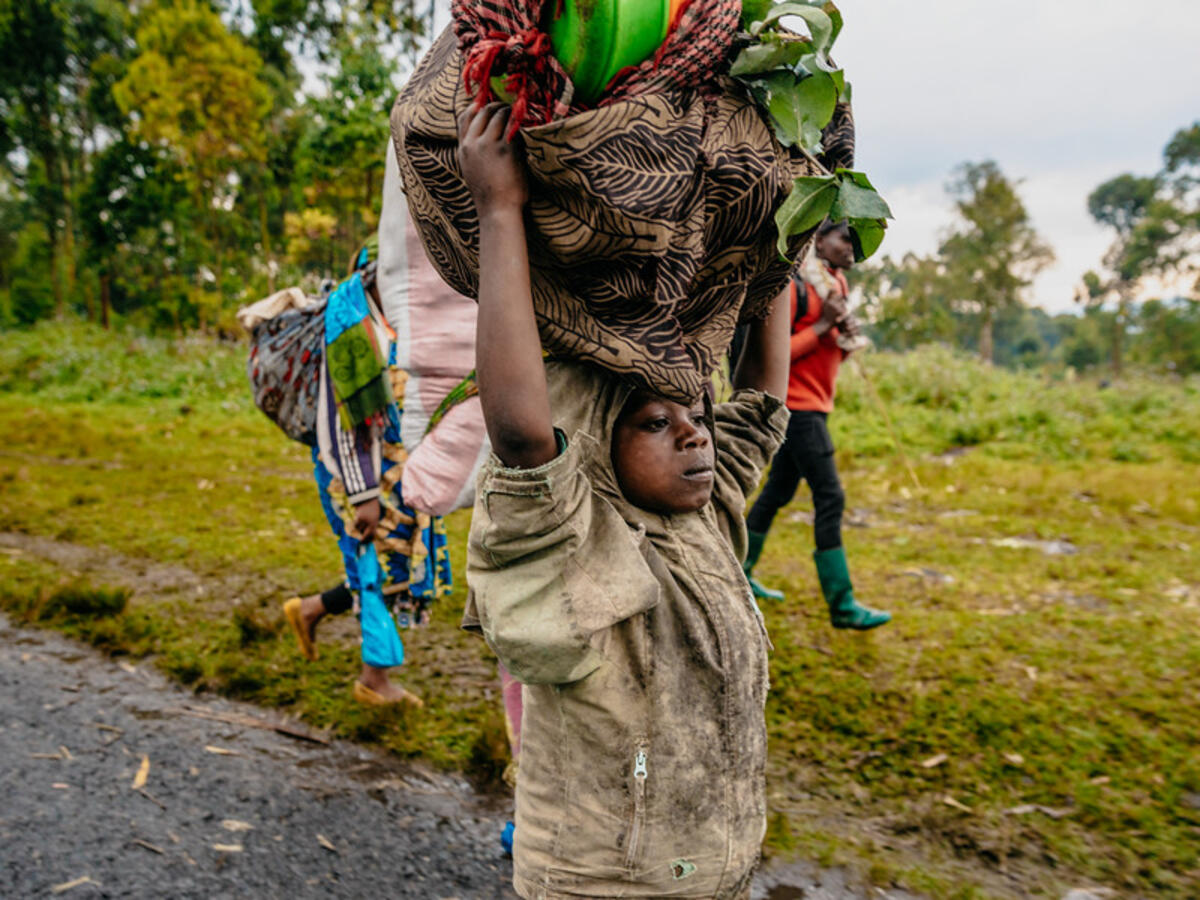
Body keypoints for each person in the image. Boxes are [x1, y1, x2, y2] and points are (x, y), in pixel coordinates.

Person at [457, 102, 791, 899]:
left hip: (714, 875)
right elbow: (525, 435)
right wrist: (500, 210)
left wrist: (777, 246)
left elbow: (761, 402)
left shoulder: (703, 514)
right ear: (597, 441)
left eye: (694, 416)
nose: (695, 435)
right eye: (655, 421)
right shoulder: (570, 543)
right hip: (601, 884)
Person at [282, 242, 453, 706]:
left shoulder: (394, 328)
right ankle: (373, 680)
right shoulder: (352, 331)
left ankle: (311, 610)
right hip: (356, 481)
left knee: (385, 566)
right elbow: (341, 427)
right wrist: (362, 496)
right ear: (375, 278)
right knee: (374, 569)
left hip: (394, 478)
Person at [740, 221, 891, 630]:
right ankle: (842, 605)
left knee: (777, 492)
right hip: (797, 408)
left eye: (855, 244)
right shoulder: (795, 285)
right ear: (818, 239)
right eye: (845, 238)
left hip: (817, 404)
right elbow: (778, 354)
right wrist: (823, 325)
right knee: (830, 496)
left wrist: (843, 334)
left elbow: (829, 356)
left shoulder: (835, 286)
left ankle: (741, 575)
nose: (852, 248)